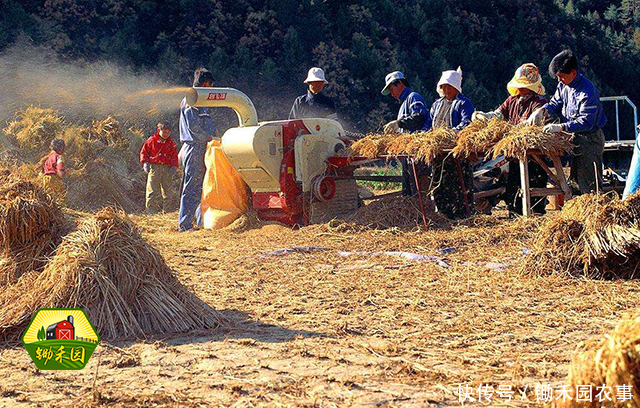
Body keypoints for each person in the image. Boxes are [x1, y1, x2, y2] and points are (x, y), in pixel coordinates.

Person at [473, 63, 548, 215]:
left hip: (533, 156)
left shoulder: (539, 103)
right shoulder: (511, 100)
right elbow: (498, 115)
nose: (520, 89)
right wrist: (483, 116)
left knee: (534, 189)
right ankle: (515, 214)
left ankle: (535, 216)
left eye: (524, 85)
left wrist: (515, 129)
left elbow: (532, 125)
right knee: (513, 188)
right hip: (513, 155)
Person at [527, 50, 607, 194]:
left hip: (589, 139)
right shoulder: (564, 86)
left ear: (573, 73)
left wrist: (561, 126)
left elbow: (586, 121)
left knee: (589, 182)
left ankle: (593, 210)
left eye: (562, 77)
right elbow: (555, 103)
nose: (559, 80)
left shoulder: (587, 91)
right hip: (573, 137)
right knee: (575, 178)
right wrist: (542, 110)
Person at [426, 67, 475, 219]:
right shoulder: (437, 104)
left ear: (456, 88)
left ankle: (463, 216)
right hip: (439, 152)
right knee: (439, 184)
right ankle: (443, 215)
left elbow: (467, 123)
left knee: (460, 184)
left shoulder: (463, 103)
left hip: (456, 152)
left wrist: (450, 134)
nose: (446, 89)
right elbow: (429, 123)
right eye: (444, 86)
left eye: (449, 86)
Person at [178, 67, 216, 231]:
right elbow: (194, 128)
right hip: (194, 147)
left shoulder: (201, 101)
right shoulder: (192, 100)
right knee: (191, 187)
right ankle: (185, 224)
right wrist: (210, 138)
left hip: (200, 146)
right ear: (205, 83)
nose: (213, 88)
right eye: (211, 85)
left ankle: (199, 222)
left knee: (201, 186)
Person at [381, 71, 430, 196]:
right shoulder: (404, 103)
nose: (391, 94)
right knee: (408, 187)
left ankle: (421, 211)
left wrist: (399, 123)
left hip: (416, 150)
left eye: (391, 89)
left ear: (400, 84)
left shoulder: (414, 97)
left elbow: (419, 117)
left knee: (417, 188)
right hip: (407, 151)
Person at [140, 121, 179, 214]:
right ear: (159, 130)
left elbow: (174, 156)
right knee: (152, 191)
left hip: (167, 169)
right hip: (154, 168)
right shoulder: (151, 140)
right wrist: (145, 162)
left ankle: (167, 211)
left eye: (168, 132)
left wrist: (174, 166)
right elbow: (144, 152)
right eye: (164, 132)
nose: (166, 134)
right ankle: (150, 212)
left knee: (168, 192)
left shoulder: (171, 143)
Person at [42, 138, 67, 205]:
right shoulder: (59, 157)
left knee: (48, 196)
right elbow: (59, 167)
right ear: (61, 148)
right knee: (61, 195)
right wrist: (62, 173)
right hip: (53, 178)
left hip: (45, 178)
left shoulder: (49, 157)